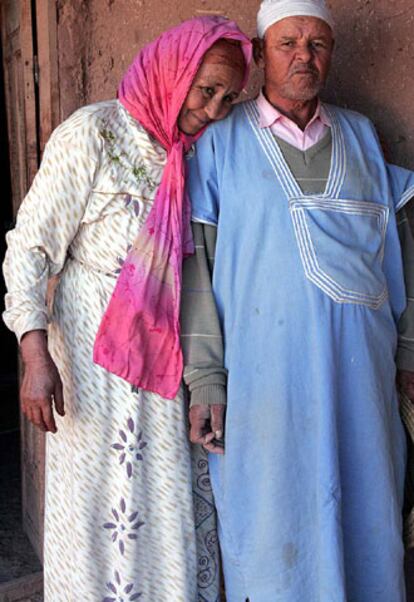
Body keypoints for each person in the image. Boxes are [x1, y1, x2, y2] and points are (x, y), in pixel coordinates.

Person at [2, 16, 251, 602]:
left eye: (227, 97)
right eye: (205, 89)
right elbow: (29, 249)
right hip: (92, 364)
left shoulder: (195, 153)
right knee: (95, 504)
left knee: (163, 502)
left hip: (167, 360)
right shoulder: (93, 133)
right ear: (173, 71)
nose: (215, 109)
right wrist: (35, 357)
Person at [181, 1, 414, 600]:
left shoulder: (361, 135)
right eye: (287, 44)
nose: (303, 57)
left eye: (317, 44)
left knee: (368, 520)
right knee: (271, 532)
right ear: (259, 55)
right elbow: (196, 267)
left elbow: (402, 248)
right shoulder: (220, 145)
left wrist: (409, 349)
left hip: (361, 386)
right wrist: (206, 376)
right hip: (264, 390)